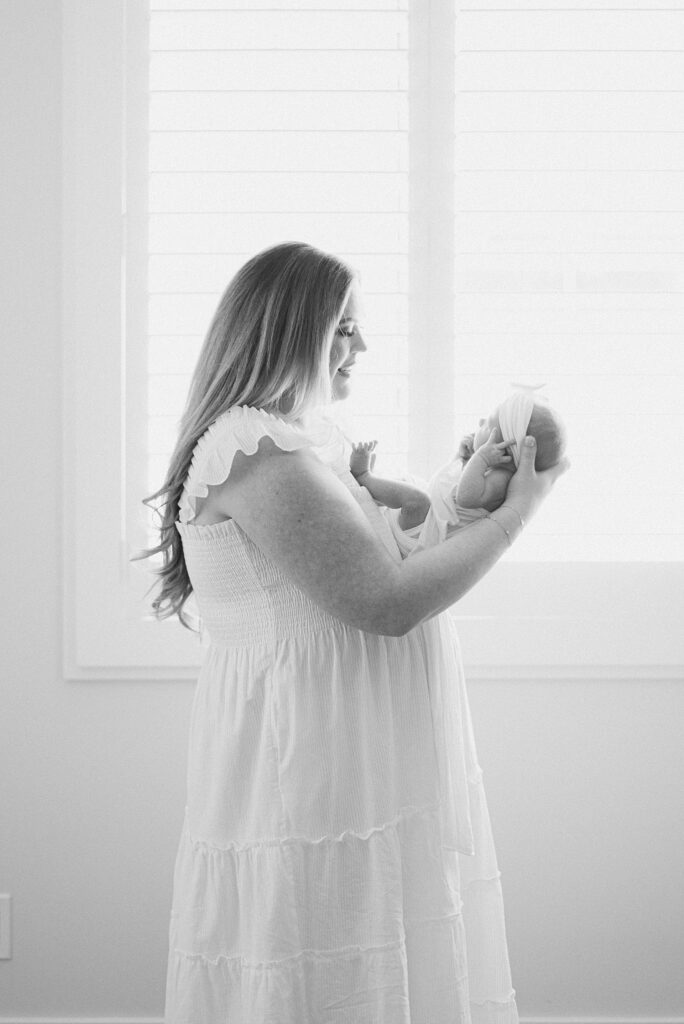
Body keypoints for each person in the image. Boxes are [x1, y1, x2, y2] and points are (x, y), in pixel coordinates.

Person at [133, 241, 568, 1023]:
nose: (361, 346)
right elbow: (384, 601)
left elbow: (381, 553)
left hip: (351, 755)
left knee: (362, 969)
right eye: (344, 327)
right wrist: (513, 518)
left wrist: (458, 491)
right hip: (311, 766)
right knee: (313, 968)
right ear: (288, 330)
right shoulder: (254, 451)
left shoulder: (308, 442)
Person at [349, 387, 567, 557]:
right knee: (413, 485)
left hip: (425, 540)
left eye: (488, 425)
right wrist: (462, 458)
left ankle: (364, 476)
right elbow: (448, 485)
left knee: (416, 499)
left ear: (507, 448)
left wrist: (479, 459)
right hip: (428, 523)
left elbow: (465, 496)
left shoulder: (501, 480)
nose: (480, 422)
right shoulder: (492, 470)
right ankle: (375, 495)